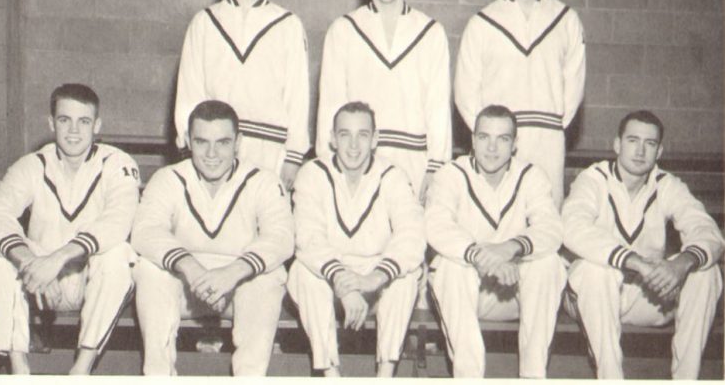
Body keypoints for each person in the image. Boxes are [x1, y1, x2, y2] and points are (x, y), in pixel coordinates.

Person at [0, 83, 140, 375]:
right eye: (65, 120)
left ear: (97, 125)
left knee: (117, 253)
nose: (74, 131)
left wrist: (57, 260)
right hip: (38, 286)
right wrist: (30, 263)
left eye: (84, 121)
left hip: (91, 281)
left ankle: (82, 368)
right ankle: (18, 365)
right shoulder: (31, 164)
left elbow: (119, 219)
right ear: (51, 123)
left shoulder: (117, 163)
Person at [131, 100, 294, 375]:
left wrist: (232, 273)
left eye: (222, 142)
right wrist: (191, 268)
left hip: (240, 288)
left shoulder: (263, 180)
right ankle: (158, 375)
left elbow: (281, 237)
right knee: (148, 269)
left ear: (238, 142)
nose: (212, 153)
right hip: (185, 287)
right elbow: (145, 232)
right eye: (202, 141)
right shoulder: (168, 178)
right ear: (187, 141)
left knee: (270, 275)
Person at [562, 110, 724, 380]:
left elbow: (706, 230)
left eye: (649, 144)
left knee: (707, 271)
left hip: (648, 293)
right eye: (633, 140)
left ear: (659, 151)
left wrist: (681, 264)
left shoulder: (668, 184)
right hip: (592, 296)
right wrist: (636, 261)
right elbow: (573, 227)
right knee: (597, 271)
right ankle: (611, 377)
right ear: (617, 145)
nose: (640, 151)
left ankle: (686, 378)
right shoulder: (593, 178)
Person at [425, 104, 565, 378]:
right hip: (467, 295)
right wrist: (484, 257)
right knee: (451, 266)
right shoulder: (451, 174)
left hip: (514, 291)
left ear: (514, 144)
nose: (492, 148)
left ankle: (533, 375)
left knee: (550, 263)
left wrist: (508, 249)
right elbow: (436, 226)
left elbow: (551, 228)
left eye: (502, 139)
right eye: (484, 137)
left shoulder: (531, 175)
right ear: (472, 140)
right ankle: (469, 376)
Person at [288, 101, 425, 377]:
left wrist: (374, 279)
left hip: (376, 281)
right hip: (331, 282)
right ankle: (331, 374)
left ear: (375, 139)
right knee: (301, 272)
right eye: (344, 134)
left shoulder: (392, 175)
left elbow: (411, 236)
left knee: (407, 276)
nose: (353, 145)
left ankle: (385, 375)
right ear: (331, 138)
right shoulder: (312, 174)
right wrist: (344, 283)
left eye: (362, 135)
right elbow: (308, 237)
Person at [454, 0, 585, 206]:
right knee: (497, 217)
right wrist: (489, 137)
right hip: (498, 141)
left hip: (547, 138)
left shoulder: (566, 19)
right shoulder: (482, 22)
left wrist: (553, 127)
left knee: (545, 221)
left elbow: (574, 85)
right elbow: (465, 91)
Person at [316, 0, 451, 202]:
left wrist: (438, 166)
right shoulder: (344, 29)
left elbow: (438, 107)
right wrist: (326, 163)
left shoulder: (430, 31)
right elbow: (331, 103)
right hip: (359, 157)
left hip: (414, 160)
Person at [174, 0, 310, 190]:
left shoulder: (288, 24)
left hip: (270, 149)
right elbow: (189, 91)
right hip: (217, 146)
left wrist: (294, 155)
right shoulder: (205, 22)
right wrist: (188, 144)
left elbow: (297, 96)